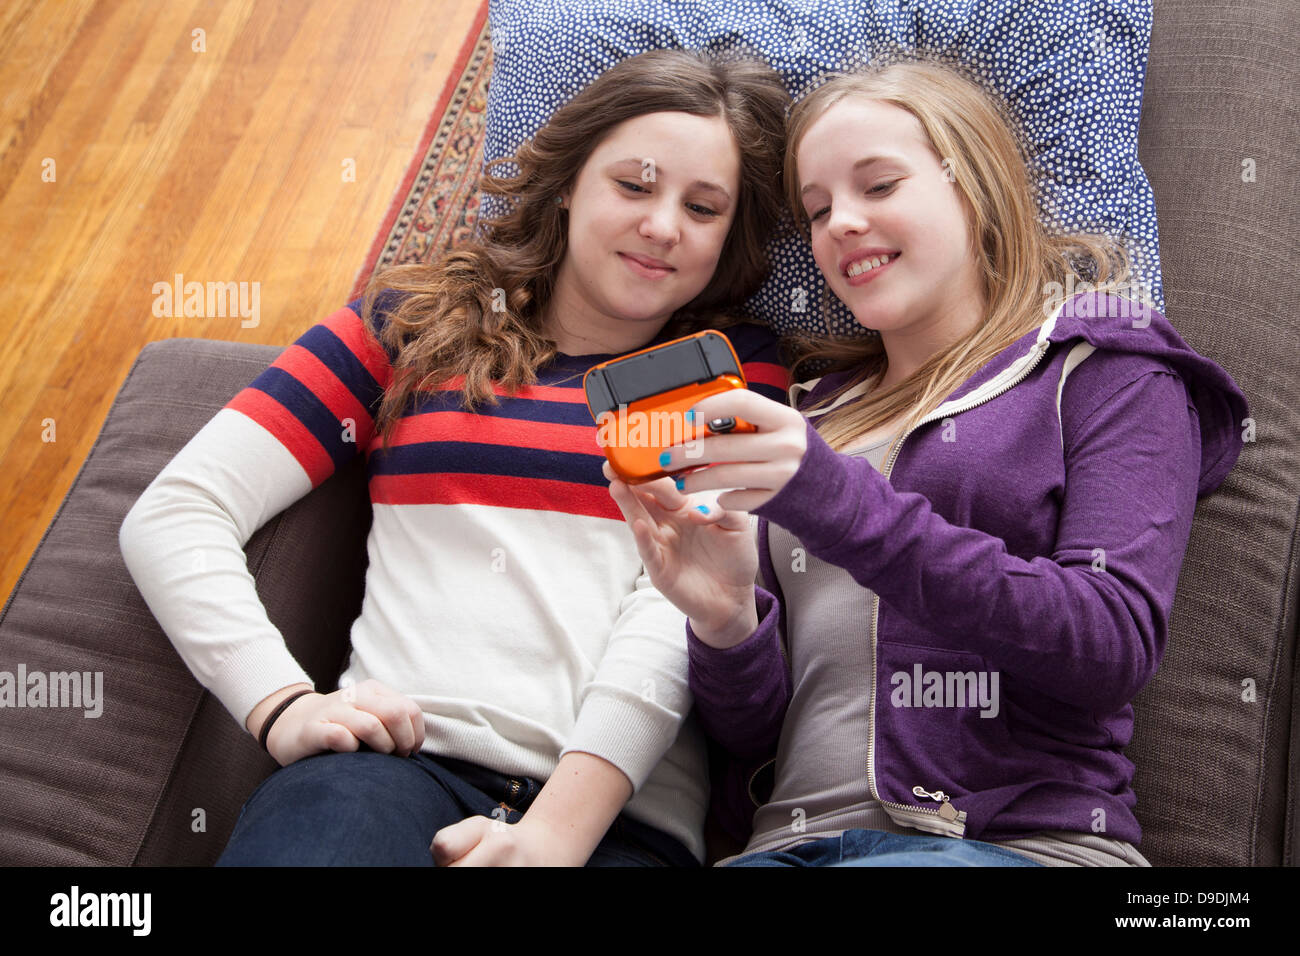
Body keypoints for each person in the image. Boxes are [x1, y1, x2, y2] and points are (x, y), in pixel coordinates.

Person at [118, 48, 793, 867]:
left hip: (616, 825)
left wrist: (553, 836)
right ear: (570, 181)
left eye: (703, 207)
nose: (662, 226)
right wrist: (280, 704)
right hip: (387, 776)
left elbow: (679, 604)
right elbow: (177, 509)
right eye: (634, 185)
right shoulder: (412, 322)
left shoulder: (729, 367)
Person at [604, 54, 1249, 867]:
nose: (838, 223)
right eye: (817, 208)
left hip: (1011, 848)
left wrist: (837, 501)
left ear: (973, 185)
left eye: (878, 187)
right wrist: (727, 621)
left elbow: (1110, 643)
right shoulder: (810, 416)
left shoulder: (1103, 368)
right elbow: (765, 740)